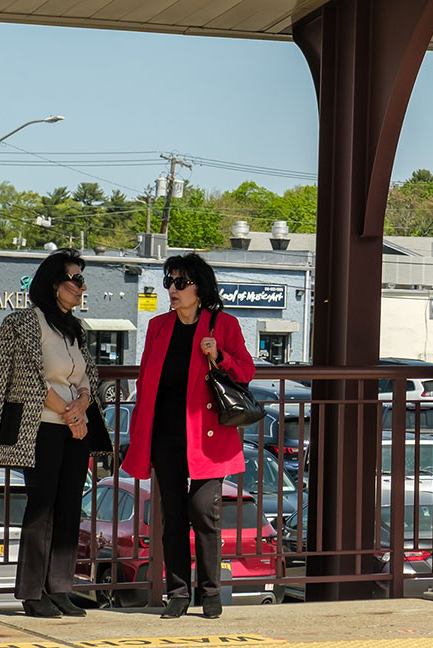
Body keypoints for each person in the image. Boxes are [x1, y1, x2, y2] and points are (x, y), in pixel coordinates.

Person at [0, 248, 113, 618]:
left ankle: (60, 589)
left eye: (83, 279)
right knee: (42, 508)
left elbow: (88, 378)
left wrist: (82, 404)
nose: (82, 287)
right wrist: (69, 414)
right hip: (39, 429)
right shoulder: (21, 323)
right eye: (76, 279)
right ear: (55, 284)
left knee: (70, 509)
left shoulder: (75, 329)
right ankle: (32, 592)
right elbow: (24, 380)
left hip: (75, 428)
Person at [122, 253, 255, 619]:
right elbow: (146, 382)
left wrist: (220, 355)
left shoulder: (223, 324)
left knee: (202, 510)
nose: (173, 289)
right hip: (165, 432)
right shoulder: (158, 326)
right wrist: (139, 430)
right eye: (170, 282)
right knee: (173, 515)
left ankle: (210, 592)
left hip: (208, 435)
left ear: (200, 288)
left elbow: (246, 371)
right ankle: (178, 593)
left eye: (181, 283)